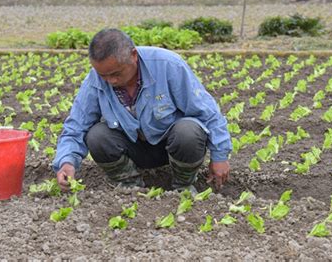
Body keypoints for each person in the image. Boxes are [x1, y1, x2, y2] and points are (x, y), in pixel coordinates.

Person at [52, 28, 232, 193]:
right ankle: (131, 187)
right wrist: (67, 162)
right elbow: (76, 125)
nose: (110, 81)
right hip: (133, 148)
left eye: (116, 73)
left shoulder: (168, 65)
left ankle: (183, 185)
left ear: (134, 56)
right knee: (97, 136)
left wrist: (220, 156)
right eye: (103, 75)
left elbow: (208, 113)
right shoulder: (95, 81)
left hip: (173, 146)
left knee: (189, 131)